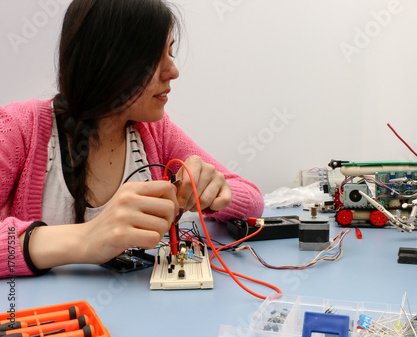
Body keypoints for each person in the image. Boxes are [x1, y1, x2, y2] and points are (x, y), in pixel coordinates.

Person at [0, 0, 264, 278]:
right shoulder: (19, 128)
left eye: (171, 52)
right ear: (106, 61)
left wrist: (212, 191)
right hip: (52, 318)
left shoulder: (155, 132)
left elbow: (253, 201)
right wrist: (86, 239)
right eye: (153, 58)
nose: (173, 71)